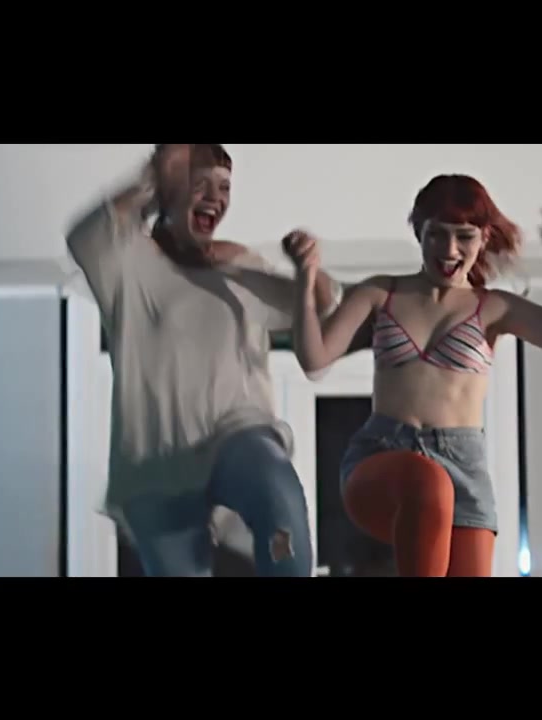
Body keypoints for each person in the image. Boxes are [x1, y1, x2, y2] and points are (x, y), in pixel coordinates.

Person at [286, 173, 542, 577]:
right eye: (436, 234)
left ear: (483, 237)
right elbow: (314, 359)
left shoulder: (493, 307)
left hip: (463, 468)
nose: (449, 249)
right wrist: (305, 276)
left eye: (464, 236)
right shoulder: (381, 293)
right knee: (428, 482)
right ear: (418, 231)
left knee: (439, 494)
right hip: (384, 455)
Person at [64, 144, 341, 577]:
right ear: (170, 191)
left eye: (224, 187)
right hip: (156, 463)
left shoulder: (239, 268)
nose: (215, 196)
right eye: (200, 184)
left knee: (276, 492)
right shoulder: (131, 264)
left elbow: (324, 303)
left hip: (237, 434)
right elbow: (84, 237)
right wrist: (152, 178)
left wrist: (307, 268)